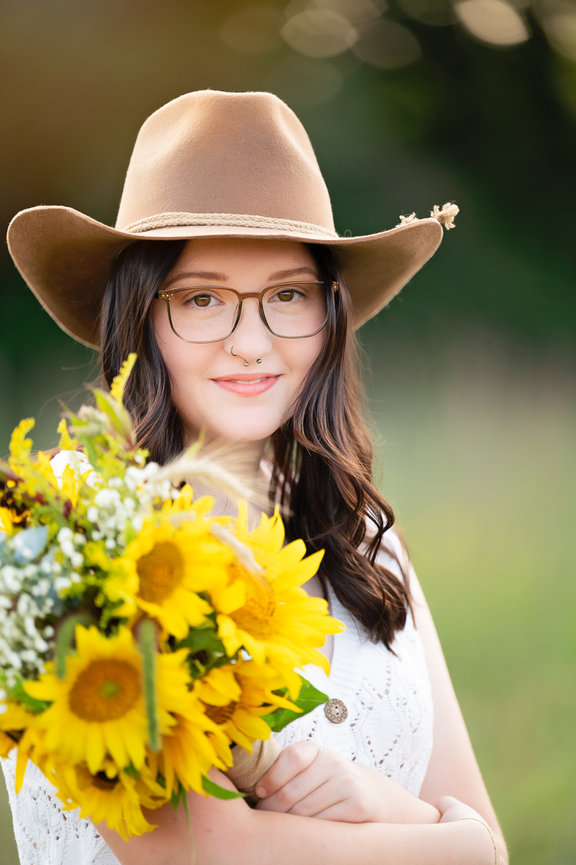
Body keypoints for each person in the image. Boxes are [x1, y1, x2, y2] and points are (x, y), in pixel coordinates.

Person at [3, 89, 507, 865]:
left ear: (329, 315)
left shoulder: (362, 536)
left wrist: (380, 802)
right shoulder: (66, 529)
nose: (252, 342)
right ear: (140, 315)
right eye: (202, 298)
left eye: (288, 296)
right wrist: (457, 846)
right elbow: (201, 852)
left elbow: (492, 833)